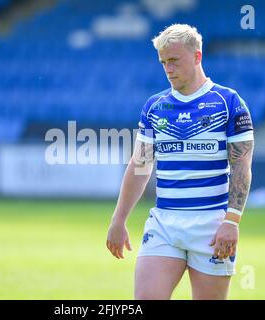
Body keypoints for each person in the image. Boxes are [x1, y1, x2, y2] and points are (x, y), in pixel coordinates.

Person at [106, 24, 254, 300]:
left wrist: (232, 221)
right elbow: (140, 166)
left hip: (211, 226)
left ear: (197, 57)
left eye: (174, 60)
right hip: (164, 223)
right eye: (163, 62)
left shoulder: (228, 102)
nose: (168, 68)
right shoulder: (155, 106)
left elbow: (241, 166)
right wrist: (119, 218)